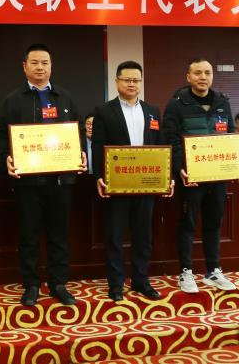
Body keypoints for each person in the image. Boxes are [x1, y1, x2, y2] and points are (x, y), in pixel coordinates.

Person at [0, 43, 87, 306]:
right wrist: (4, 160)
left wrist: (81, 152)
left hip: (61, 181)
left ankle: (58, 283)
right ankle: (31, 284)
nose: (40, 67)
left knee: (59, 235)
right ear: (24, 67)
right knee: (29, 236)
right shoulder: (12, 100)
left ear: (51, 66)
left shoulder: (65, 98)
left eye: (45, 63)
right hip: (28, 183)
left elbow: (77, 131)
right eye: (34, 62)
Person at [163, 58, 239, 294]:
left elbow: (230, 135)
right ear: (188, 77)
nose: (203, 77)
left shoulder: (222, 102)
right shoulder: (176, 104)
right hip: (191, 177)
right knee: (188, 224)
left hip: (218, 176)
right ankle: (186, 271)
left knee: (214, 223)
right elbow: (170, 139)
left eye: (207, 73)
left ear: (212, 76)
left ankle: (213, 270)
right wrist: (179, 167)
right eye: (198, 73)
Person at [92, 61, 173, 302]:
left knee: (143, 236)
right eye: (127, 79)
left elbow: (160, 145)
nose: (131, 84)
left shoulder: (152, 111)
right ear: (117, 81)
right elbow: (97, 146)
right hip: (116, 184)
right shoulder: (104, 111)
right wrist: (99, 176)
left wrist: (166, 177)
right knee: (115, 236)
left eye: (136, 80)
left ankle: (141, 280)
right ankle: (116, 284)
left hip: (146, 183)